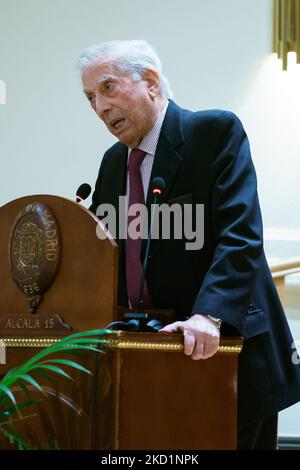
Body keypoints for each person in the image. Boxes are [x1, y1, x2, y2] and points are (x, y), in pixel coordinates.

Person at [78, 40, 300, 449]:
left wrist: (209, 316)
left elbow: (241, 234)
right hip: (151, 366)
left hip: (225, 356)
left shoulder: (213, 133)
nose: (98, 106)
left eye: (107, 87)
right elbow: (104, 248)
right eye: (90, 96)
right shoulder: (114, 162)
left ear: (150, 82)